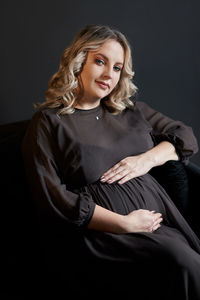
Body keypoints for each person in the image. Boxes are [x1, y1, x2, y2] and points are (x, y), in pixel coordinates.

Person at [22, 24, 200, 299]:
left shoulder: (131, 111)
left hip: (157, 223)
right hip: (106, 235)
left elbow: (185, 137)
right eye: (100, 61)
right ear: (79, 60)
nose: (109, 74)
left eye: (117, 68)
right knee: (181, 262)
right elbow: (53, 197)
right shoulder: (49, 121)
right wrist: (124, 224)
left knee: (190, 262)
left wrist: (146, 160)